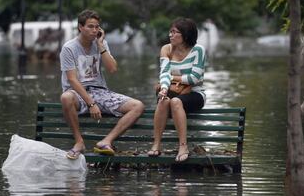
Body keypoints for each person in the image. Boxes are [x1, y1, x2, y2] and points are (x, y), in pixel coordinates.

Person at [60, 9, 144, 160]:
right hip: (77, 93)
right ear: (80, 27)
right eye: (90, 26)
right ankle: (79, 142)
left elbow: (112, 69)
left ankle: (106, 141)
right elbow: (72, 80)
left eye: (97, 27)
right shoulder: (69, 48)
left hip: (100, 92)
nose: (94, 30)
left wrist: (100, 45)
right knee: (66, 97)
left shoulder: (101, 44)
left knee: (137, 106)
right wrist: (91, 104)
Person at [148, 18, 206, 162]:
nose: (170, 35)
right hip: (171, 90)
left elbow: (194, 78)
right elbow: (164, 73)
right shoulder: (166, 49)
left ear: (185, 35)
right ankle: (156, 145)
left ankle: (183, 146)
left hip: (196, 94)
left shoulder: (198, 50)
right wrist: (164, 88)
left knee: (175, 102)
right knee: (163, 101)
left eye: (175, 32)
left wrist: (173, 77)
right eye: (170, 31)